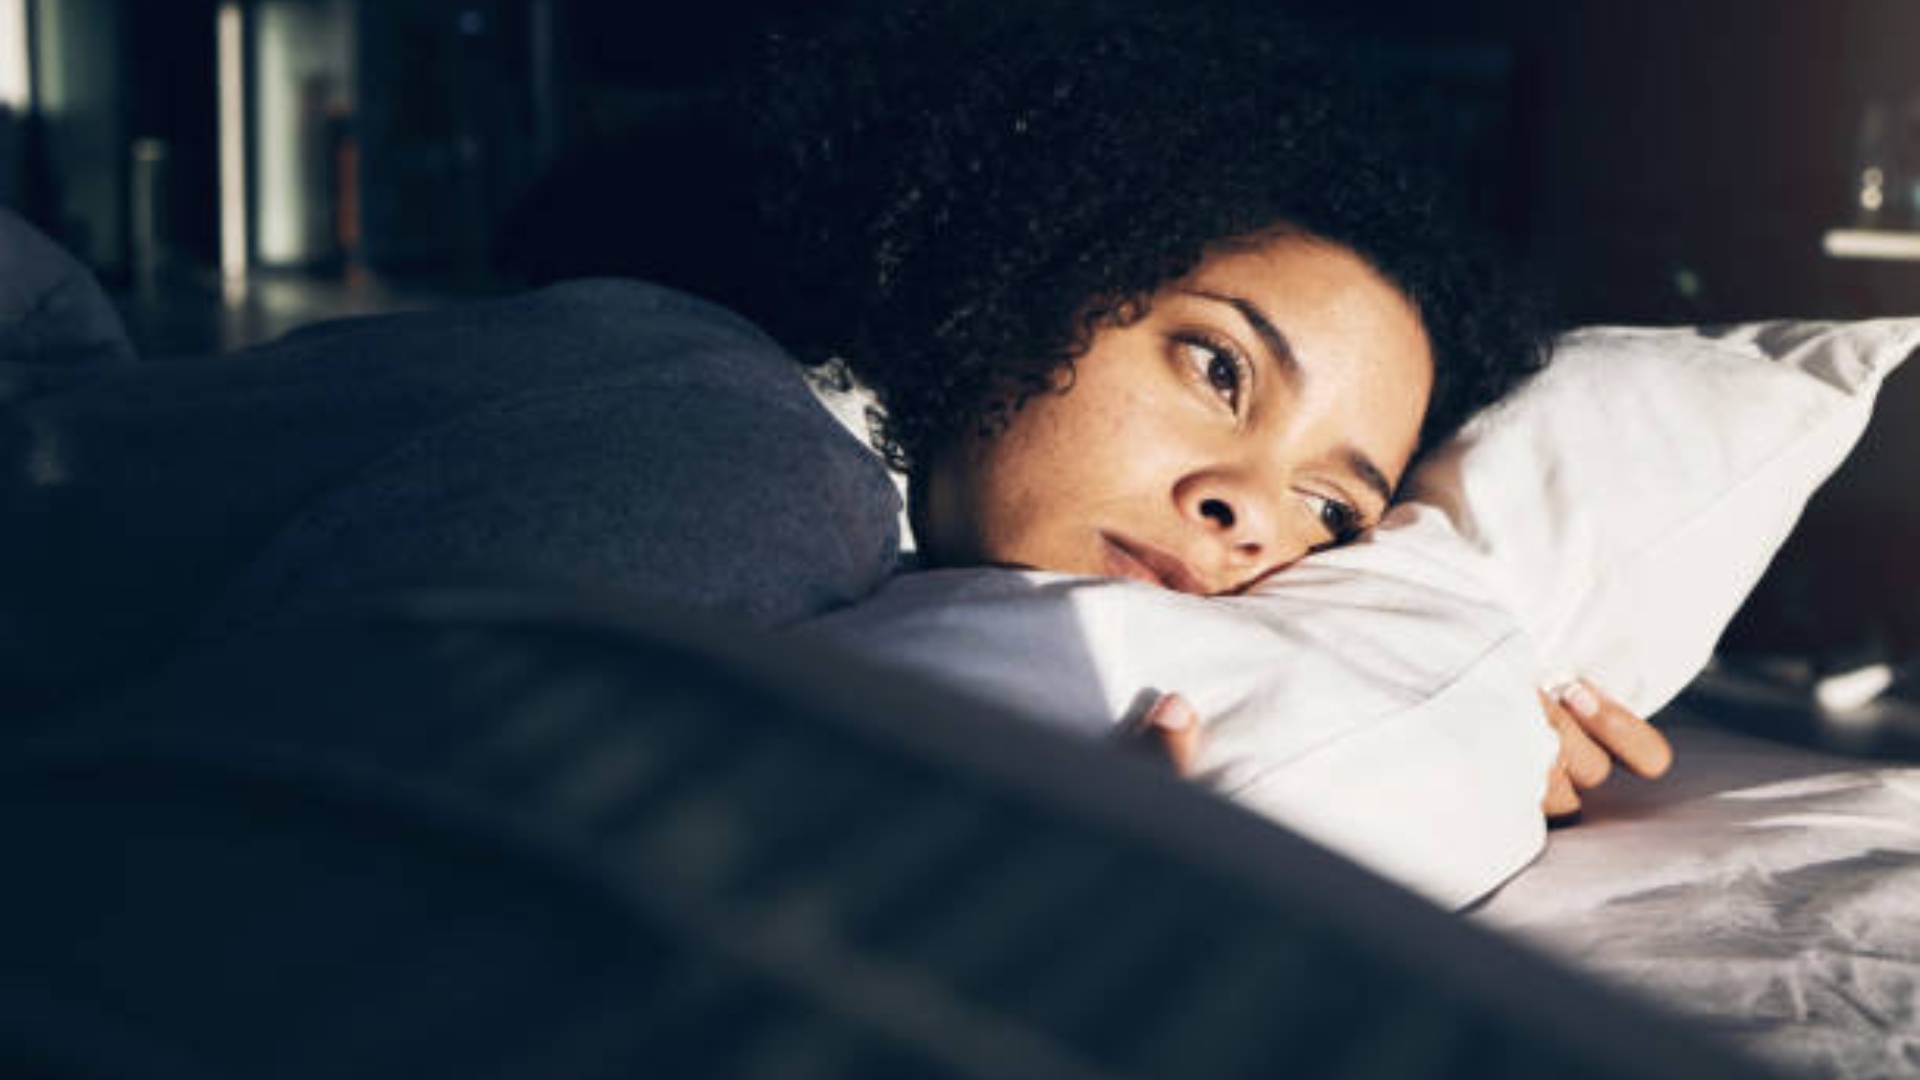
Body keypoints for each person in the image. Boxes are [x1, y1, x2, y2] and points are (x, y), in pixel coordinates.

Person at [671, 1, 1674, 814]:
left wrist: (1446, 734)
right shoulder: (714, 445)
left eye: (1328, 509)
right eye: (1218, 368)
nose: (1245, 512)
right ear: (1032, 264)